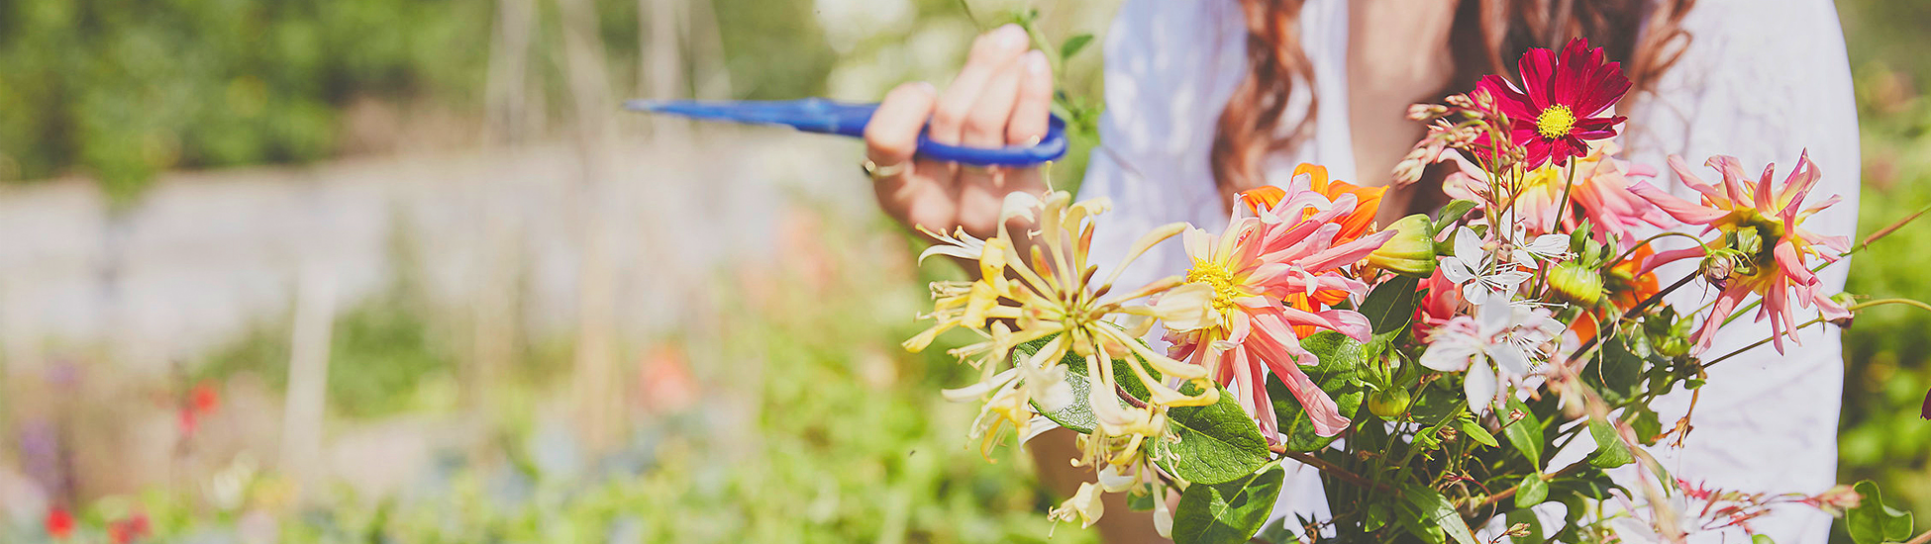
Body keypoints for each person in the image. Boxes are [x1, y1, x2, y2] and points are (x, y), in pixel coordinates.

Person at [862, 1, 1860, 542]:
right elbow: (1148, 516)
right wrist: (1024, 279)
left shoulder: (1731, 22)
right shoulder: (1196, 20)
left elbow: (1739, 498)